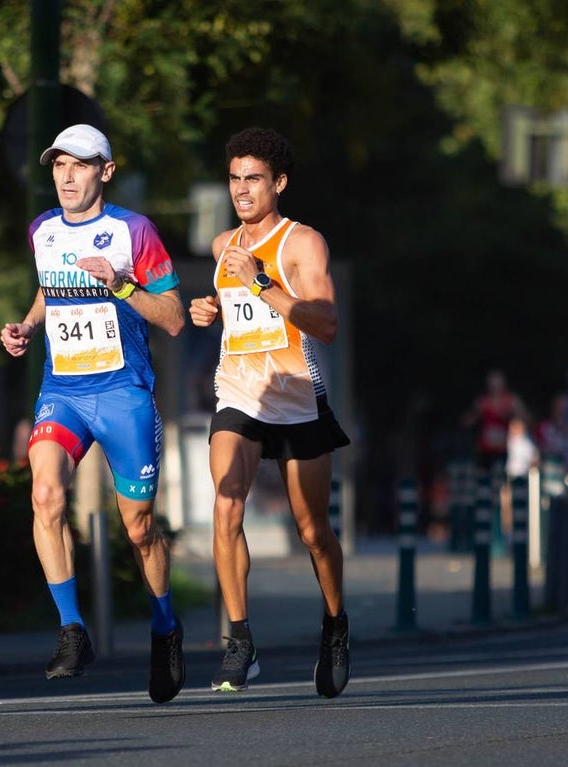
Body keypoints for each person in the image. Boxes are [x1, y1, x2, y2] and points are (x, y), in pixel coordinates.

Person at [0, 124, 187, 704]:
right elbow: (46, 291)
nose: (66, 176)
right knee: (46, 494)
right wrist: (28, 326)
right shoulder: (42, 231)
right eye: (58, 165)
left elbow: (176, 318)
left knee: (139, 528)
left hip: (125, 394)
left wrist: (123, 287)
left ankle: (165, 627)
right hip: (64, 392)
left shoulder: (135, 232)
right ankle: (72, 629)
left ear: (105, 171)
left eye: (79, 165)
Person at [188, 126, 352, 698]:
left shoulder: (302, 244)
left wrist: (260, 282)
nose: (241, 189)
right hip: (239, 395)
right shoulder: (219, 246)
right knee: (226, 505)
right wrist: (209, 308)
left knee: (313, 531)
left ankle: (335, 625)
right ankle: (240, 640)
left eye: (253, 178)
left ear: (278, 183)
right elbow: (233, 315)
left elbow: (325, 324)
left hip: (297, 398)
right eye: (234, 179)